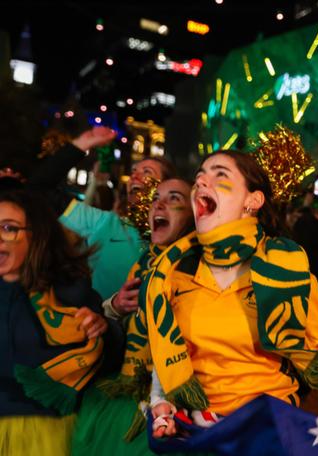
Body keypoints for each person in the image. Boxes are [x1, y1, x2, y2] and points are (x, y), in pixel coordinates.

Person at [141, 150, 318, 439]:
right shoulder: (172, 271)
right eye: (199, 177)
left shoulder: (288, 270)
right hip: (196, 432)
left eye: (219, 174)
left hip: (268, 432)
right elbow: (166, 355)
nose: (202, 182)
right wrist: (160, 401)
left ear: (253, 201)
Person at [71, 178, 196, 455]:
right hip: (127, 390)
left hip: (179, 400)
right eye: (156, 198)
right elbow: (123, 328)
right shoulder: (143, 264)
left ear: (194, 213)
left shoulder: (202, 268)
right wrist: (112, 308)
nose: (159, 204)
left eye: (174, 198)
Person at [0, 190, 120, 455]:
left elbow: (108, 360)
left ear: (37, 235)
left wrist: (103, 330)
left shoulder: (69, 291)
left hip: (41, 434)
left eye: (9, 228)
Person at [58, 151, 176, 299]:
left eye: (147, 172)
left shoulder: (177, 239)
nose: (134, 176)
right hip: (101, 319)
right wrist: (77, 147)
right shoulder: (105, 222)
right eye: (133, 171)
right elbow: (46, 194)